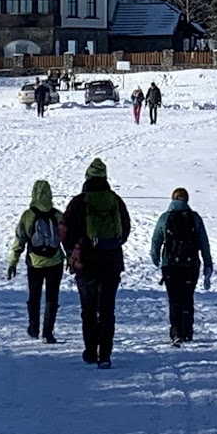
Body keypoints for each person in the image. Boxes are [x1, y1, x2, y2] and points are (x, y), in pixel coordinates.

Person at [62, 157, 132, 367]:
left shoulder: (78, 202)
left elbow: (65, 230)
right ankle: (106, 355)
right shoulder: (115, 200)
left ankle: (91, 351)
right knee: (107, 309)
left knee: (89, 309)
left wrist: (73, 250)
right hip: (111, 261)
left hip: (86, 262)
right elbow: (125, 228)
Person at [149, 187, 213, 345]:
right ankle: (187, 332)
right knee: (187, 297)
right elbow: (204, 242)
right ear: (187, 200)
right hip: (191, 265)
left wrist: (156, 258)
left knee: (174, 299)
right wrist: (207, 263)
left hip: (170, 265)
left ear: (172, 200)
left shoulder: (165, 217)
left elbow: (156, 240)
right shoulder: (195, 218)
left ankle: (176, 332)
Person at [8, 179, 66, 342]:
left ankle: (33, 328)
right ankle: (48, 332)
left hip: (35, 262)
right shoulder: (57, 215)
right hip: (55, 262)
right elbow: (67, 239)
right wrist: (70, 258)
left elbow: (20, 239)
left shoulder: (28, 215)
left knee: (34, 296)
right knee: (52, 297)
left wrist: (13, 261)